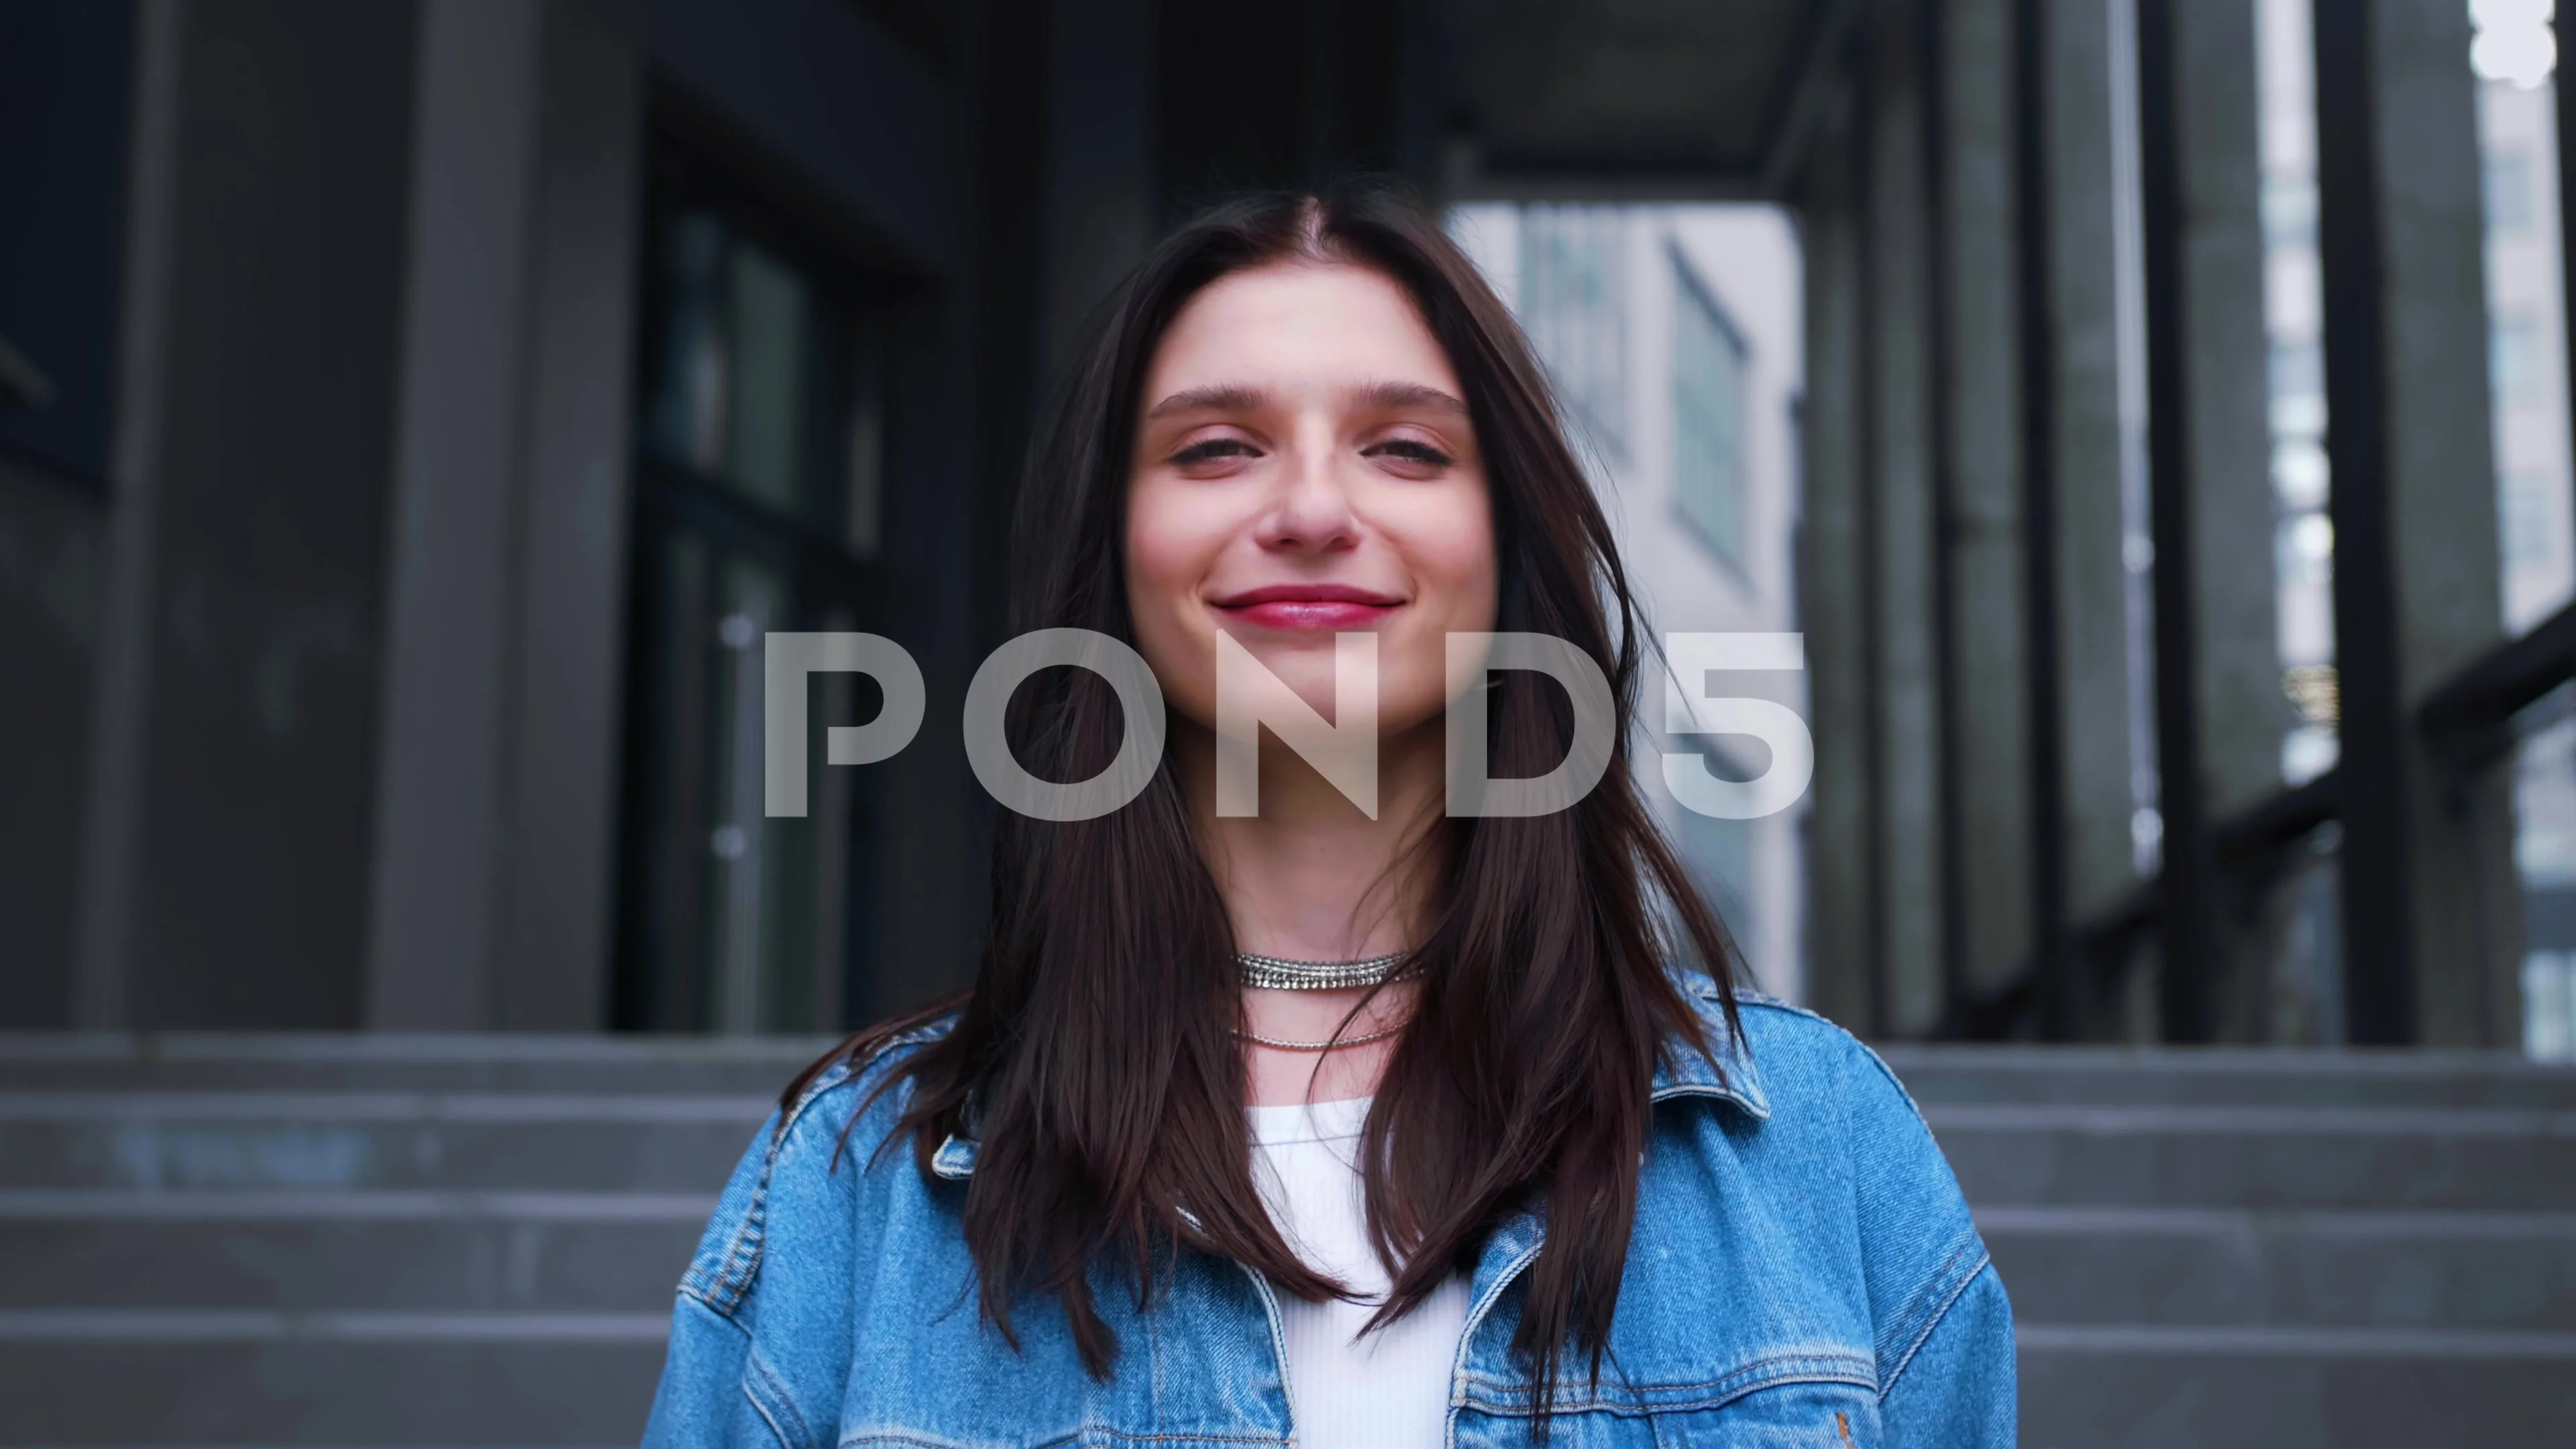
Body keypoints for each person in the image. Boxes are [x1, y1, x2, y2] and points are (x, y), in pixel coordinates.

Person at [640, 182, 2014, 1448]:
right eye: (1218, 447)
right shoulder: (853, 1190)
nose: (1309, 509)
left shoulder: (1821, 1151)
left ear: (1508, 545)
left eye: (1406, 449)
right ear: (1113, 549)